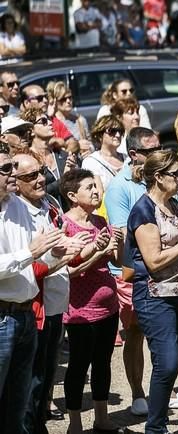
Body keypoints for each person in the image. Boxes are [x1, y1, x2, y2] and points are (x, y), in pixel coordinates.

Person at [127, 150, 178, 434]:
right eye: (175, 174)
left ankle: (158, 423)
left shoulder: (174, 204)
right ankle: (155, 427)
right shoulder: (144, 210)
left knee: (169, 363)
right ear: (158, 177)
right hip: (155, 295)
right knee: (167, 361)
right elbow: (154, 260)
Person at [13, 151, 86, 434]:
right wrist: (62, 256)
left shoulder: (51, 204)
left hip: (56, 305)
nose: (40, 179)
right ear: (14, 182)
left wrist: (85, 248)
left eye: (41, 172)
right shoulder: (18, 213)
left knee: (43, 382)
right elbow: (26, 268)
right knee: (30, 385)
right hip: (34, 309)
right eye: (30, 176)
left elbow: (65, 252)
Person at [0, 143, 71, 434]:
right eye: (6, 169)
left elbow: (36, 257)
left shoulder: (16, 205)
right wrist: (30, 252)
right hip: (2, 319)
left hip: (25, 315)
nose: (12, 175)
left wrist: (58, 252)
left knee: (17, 406)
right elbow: (24, 255)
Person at [59, 168, 122, 434]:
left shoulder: (99, 221)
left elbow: (116, 262)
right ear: (73, 195)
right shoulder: (64, 225)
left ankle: (101, 417)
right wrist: (99, 251)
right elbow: (72, 269)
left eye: (97, 186)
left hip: (108, 307)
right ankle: (75, 423)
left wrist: (118, 244)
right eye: (89, 188)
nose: (97, 191)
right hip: (80, 311)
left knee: (103, 363)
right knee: (78, 366)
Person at [21, 109, 76, 210]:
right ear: (31, 130)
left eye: (49, 120)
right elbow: (35, 192)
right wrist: (64, 179)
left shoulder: (62, 155)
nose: (50, 123)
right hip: (45, 214)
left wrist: (73, 173)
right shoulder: (27, 160)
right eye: (44, 121)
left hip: (69, 213)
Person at [82, 115, 125, 197]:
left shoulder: (128, 159)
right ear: (99, 135)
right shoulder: (91, 162)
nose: (118, 135)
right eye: (112, 131)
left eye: (120, 131)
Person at [47, 81, 93, 157]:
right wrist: (77, 146)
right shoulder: (51, 122)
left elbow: (90, 143)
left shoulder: (80, 120)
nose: (68, 101)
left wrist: (90, 150)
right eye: (63, 99)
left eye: (70, 97)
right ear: (55, 101)